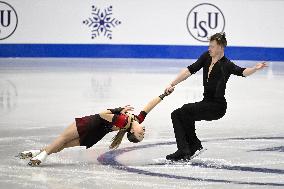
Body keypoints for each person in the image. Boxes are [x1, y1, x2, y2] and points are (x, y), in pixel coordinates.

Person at [164, 32, 267, 161]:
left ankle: (185, 149)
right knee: (178, 114)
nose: (209, 48)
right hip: (206, 102)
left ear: (220, 47)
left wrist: (255, 68)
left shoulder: (226, 65)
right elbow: (189, 70)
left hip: (217, 107)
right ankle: (191, 146)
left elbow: (243, 72)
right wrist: (172, 84)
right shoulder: (206, 57)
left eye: (212, 46)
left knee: (185, 110)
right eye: (209, 46)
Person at [17, 91, 172, 166]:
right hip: (96, 134)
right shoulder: (135, 120)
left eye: (140, 136)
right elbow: (149, 107)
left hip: (90, 124)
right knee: (62, 145)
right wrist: (164, 95)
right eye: (142, 135)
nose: (143, 133)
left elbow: (102, 114)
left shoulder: (125, 121)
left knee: (62, 139)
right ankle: (36, 152)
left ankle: (40, 157)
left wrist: (118, 109)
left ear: (132, 132)